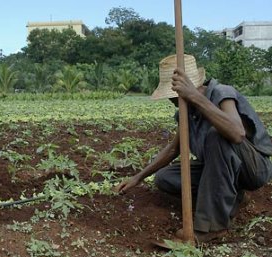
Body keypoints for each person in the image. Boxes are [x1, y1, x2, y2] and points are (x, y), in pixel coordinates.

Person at [115, 54, 272, 242]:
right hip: (219, 170)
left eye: (174, 95)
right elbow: (174, 149)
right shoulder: (186, 112)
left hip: (253, 168)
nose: (172, 101)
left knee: (216, 135)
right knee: (166, 178)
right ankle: (231, 198)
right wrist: (138, 177)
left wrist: (195, 97)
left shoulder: (222, 93)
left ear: (191, 86)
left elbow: (237, 134)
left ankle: (212, 228)